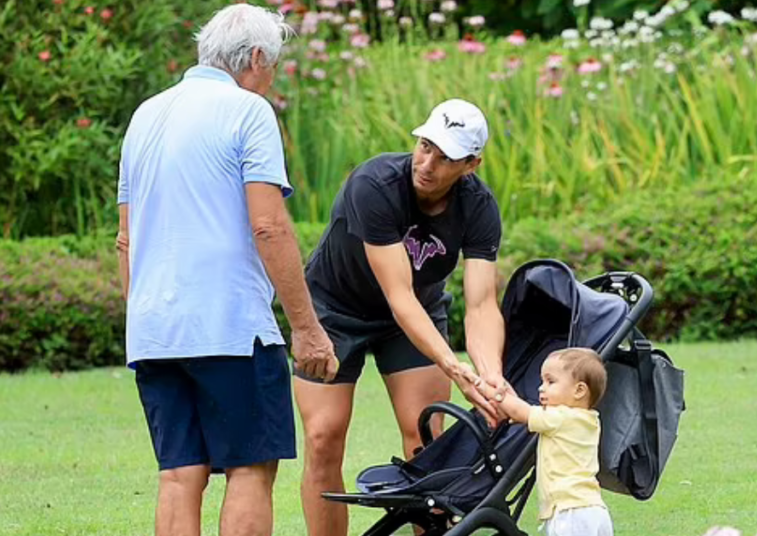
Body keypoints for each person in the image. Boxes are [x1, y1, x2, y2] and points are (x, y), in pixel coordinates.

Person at [114, 5, 337, 536]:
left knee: (178, 474)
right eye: (275, 66)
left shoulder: (145, 114)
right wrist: (306, 328)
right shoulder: (248, 110)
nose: (272, 77)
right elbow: (269, 226)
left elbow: (125, 238)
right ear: (257, 57)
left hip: (153, 330)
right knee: (250, 468)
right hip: (230, 328)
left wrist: (142, 320)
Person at [295, 99, 508, 536]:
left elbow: (483, 304)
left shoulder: (479, 207)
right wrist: (454, 366)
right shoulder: (374, 183)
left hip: (417, 313)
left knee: (425, 441)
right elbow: (398, 295)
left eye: (444, 156)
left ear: (470, 164)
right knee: (323, 438)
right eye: (425, 145)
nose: (427, 163)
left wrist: (490, 378)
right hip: (336, 308)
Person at [477, 347, 613, 536]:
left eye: (551, 381)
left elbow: (520, 411)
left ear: (579, 390)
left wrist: (486, 389)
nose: (541, 387)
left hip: (570, 513)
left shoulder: (559, 418)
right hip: (592, 509)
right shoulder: (588, 419)